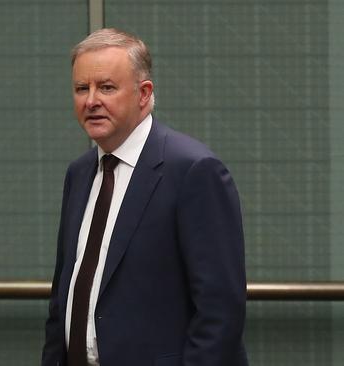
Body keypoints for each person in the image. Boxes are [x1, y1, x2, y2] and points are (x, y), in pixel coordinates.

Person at [42, 28, 248, 366]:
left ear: (143, 93)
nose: (91, 100)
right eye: (82, 88)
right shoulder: (79, 174)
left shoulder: (194, 170)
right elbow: (63, 296)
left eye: (106, 87)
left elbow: (220, 310)